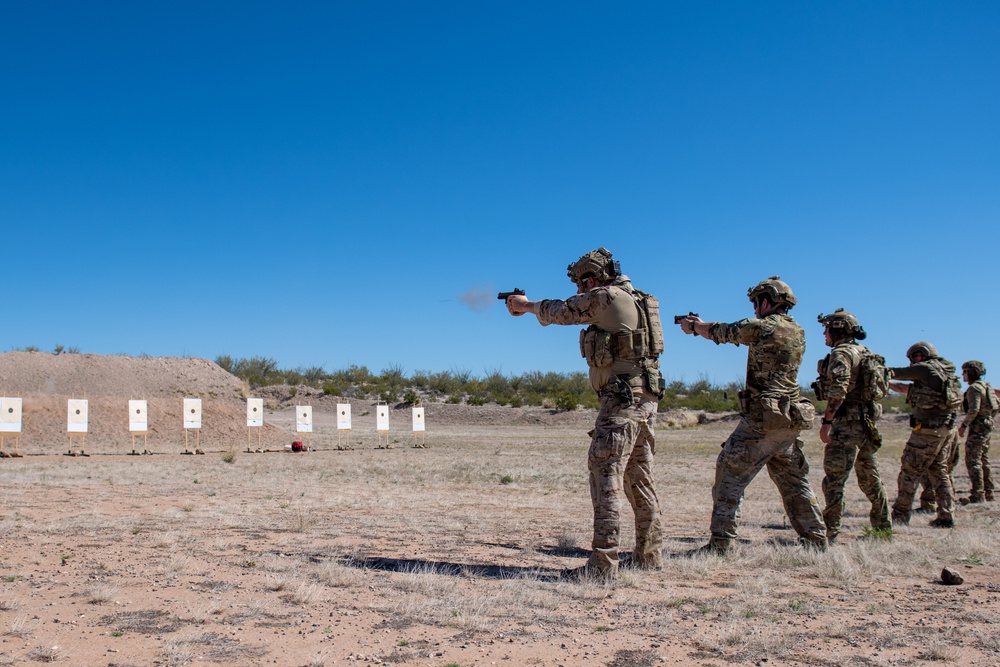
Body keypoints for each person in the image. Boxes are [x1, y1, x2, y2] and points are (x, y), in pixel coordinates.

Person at [505, 248, 665, 580]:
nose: (581, 292)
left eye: (581, 285)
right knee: (639, 478)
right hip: (643, 399)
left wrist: (526, 305)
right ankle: (649, 556)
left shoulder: (606, 296)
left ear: (590, 280)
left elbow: (563, 311)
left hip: (621, 400)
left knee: (605, 473)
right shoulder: (639, 299)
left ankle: (603, 564)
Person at [678, 277, 827, 553]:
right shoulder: (798, 330)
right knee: (795, 484)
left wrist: (695, 327)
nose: (755, 308)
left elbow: (725, 332)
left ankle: (721, 544)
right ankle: (816, 540)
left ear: (766, 302)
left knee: (729, 474)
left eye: (756, 303)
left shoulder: (763, 327)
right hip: (789, 420)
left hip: (762, 420)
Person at [812, 309, 891, 542]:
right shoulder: (866, 353)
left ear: (837, 329)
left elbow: (838, 390)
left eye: (827, 328)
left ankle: (829, 532)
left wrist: (827, 422)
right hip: (867, 423)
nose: (824, 333)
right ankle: (882, 527)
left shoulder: (842, 354)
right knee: (870, 477)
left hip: (847, 424)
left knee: (835, 479)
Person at [886, 342, 961, 528]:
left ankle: (900, 517)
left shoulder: (925, 369)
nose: (911, 363)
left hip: (927, 431)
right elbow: (905, 388)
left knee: (909, 473)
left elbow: (896, 372)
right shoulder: (945, 370)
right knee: (939, 471)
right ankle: (946, 516)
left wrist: (874, 369)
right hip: (945, 429)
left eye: (912, 358)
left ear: (920, 355)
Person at [958, 360, 997, 504]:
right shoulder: (987, 386)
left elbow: (974, 409)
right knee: (983, 460)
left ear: (971, 372)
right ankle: (989, 493)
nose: (963, 375)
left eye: (965, 371)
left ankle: (978, 494)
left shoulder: (974, 388)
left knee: (973, 461)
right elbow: (996, 406)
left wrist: (963, 426)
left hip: (977, 427)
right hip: (987, 425)